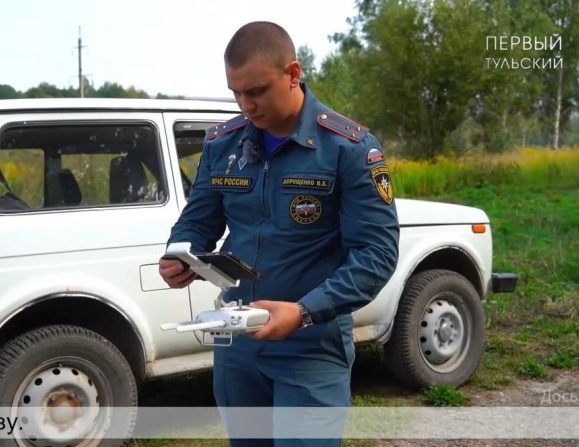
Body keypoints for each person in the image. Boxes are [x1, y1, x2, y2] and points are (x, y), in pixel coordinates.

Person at [159, 20, 400, 447]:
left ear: (292, 74)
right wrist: (180, 254)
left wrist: (304, 311)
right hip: (238, 343)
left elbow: (376, 254)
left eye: (256, 91)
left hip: (310, 346)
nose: (245, 105)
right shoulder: (223, 144)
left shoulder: (349, 148)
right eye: (235, 92)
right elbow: (198, 220)